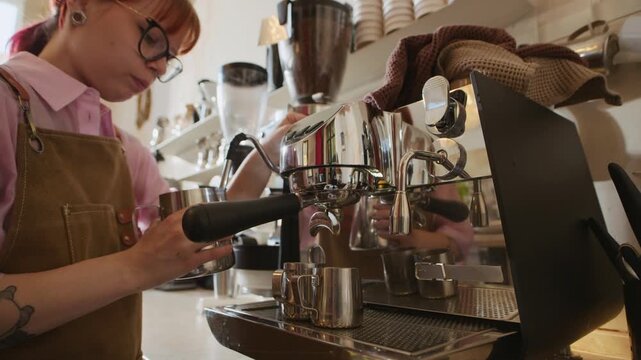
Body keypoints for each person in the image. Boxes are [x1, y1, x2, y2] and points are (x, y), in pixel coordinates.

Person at [0, 1, 301, 358]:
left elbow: (201, 233)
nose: (159, 66)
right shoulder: (6, 105)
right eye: (154, 37)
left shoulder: (126, 150)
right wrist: (136, 266)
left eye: (169, 58)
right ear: (81, 6)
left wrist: (263, 155)